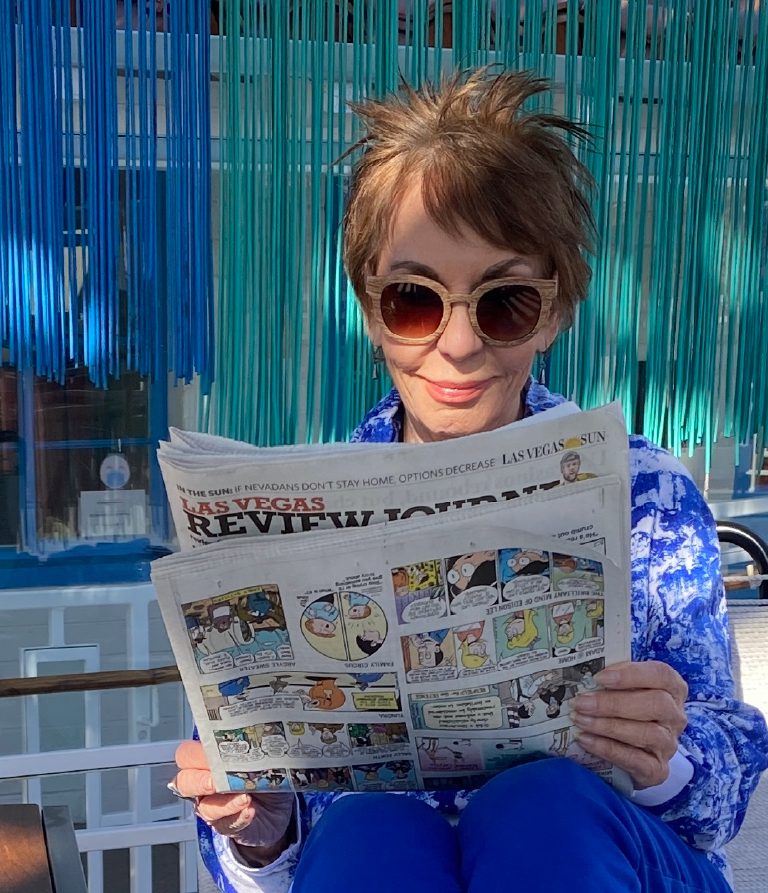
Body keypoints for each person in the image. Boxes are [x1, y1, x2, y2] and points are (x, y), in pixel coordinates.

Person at [170, 69, 768, 893]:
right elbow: (273, 854)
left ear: (555, 313)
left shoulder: (644, 492)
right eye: (415, 300)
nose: (455, 345)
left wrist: (667, 758)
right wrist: (260, 828)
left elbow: (726, 781)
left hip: (596, 857)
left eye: (504, 303)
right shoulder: (305, 510)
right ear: (371, 306)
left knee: (542, 806)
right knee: (369, 832)